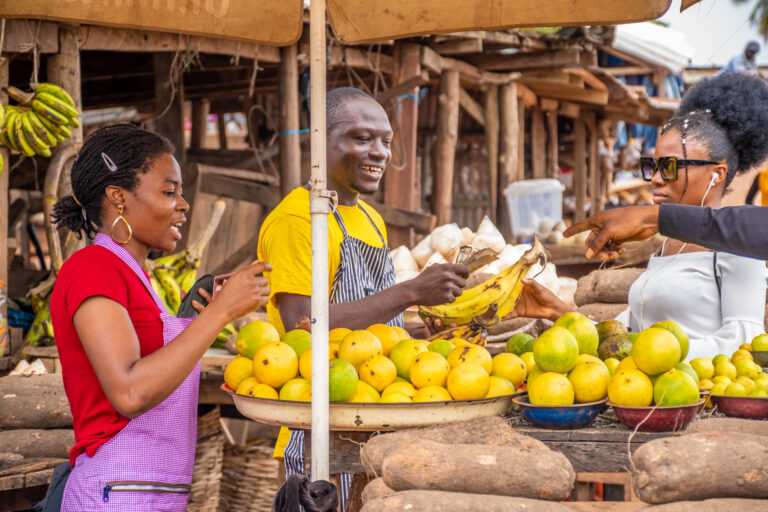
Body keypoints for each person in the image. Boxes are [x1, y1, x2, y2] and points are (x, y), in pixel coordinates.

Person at [257, 87, 468, 506]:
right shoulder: (297, 221)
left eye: (386, 141)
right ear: (321, 142)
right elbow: (300, 325)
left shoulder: (370, 217)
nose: (380, 152)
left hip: (379, 417)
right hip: (321, 424)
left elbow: (372, 321)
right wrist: (410, 291)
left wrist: (415, 332)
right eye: (361, 138)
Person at [49, 124, 271, 511]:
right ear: (118, 197)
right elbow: (130, 392)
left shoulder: (138, 277)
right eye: (169, 192)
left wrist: (192, 318)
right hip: (116, 494)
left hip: (149, 491)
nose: (183, 205)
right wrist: (219, 314)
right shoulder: (92, 268)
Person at [514, 73, 768, 359]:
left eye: (670, 166)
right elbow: (624, 336)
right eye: (653, 166)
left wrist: (645, 352)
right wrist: (562, 313)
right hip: (639, 399)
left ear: (716, 173)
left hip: (697, 400)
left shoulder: (739, 249)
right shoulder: (668, 245)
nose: (656, 179)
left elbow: (746, 345)